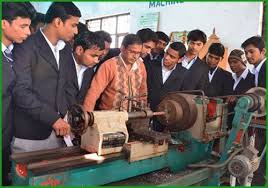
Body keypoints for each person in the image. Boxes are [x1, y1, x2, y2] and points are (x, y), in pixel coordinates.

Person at [11, 2, 81, 153]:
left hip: (61, 132)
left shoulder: (66, 49)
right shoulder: (26, 46)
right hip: (31, 135)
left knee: (58, 176)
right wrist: (53, 119)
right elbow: (20, 92)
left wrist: (71, 116)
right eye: (73, 25)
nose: (76, 31)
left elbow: (69, 86)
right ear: (58, 22)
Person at [2, 2, 36, 185]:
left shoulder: (15, 54)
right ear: (4, 23)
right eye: (23, 26)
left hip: (6, 137)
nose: (28, 32)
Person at [83, 34, 147, 112]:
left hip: (133, 116)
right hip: (111, 117)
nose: (135, 56)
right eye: (132, 52)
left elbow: (143, 92)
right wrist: (87, 115)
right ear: (122, 48)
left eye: (138, 53)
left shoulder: (141, 66)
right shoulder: (109, 66)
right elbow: (94, 92)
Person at [241, 36, 266, 186]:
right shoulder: (256, 71)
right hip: (260, 120)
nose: (248, 56)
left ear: (263, 51)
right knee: (260, 156)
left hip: (264, 120)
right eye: (246, 52)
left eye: (252, 51)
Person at [147, 42, 187, 131]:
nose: (167, 57)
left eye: (172, 57)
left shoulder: (184, 74)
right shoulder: (150, 65)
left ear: (180, 59)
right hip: (145, 113)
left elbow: (181, 97)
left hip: (166, 117)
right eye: (167, 53)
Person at [67, 31, 105, 105]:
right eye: (93, 56)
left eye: (98, 57)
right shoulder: (61, 65)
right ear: (79, 50)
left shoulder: (89, 70)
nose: (96, 61)